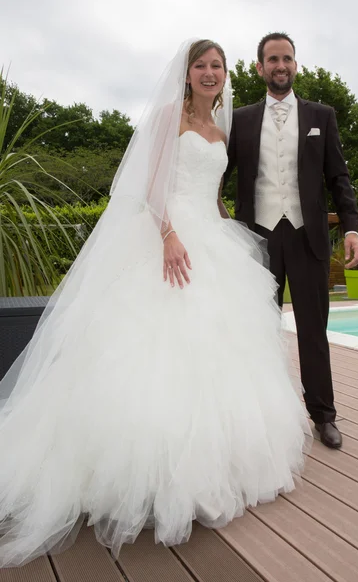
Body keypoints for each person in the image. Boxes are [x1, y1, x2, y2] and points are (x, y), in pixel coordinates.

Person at [0, 39, 310, 568]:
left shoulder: (219, 127)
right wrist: (168, 234)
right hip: (169, 240)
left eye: (217, 66)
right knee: (153, 348)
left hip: (211, 238)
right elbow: (149, 184)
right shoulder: (172, 116)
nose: (210, 73)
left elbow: (209, 189)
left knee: (220, 351)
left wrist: (219, 220)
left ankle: (215, 465)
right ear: (186, 73)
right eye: (201, 66)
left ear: (227, 74)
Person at [225, 32, 358, 449]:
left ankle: (323, 415)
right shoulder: (241, 119)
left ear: (295, 65)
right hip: (258, 238)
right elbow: (218, 173)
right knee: (259, 331)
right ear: (259, 67)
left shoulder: (323, 115)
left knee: (313, 331)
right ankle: (263, 418)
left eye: (286, 58)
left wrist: (353, 227)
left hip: (308, 237)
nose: (280, 65)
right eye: (272, 59)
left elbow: (338, 178)